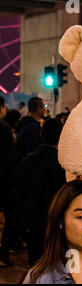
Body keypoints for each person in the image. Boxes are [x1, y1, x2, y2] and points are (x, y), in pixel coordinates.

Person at [16, 118, 66, 265]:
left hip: (32, 223)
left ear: (41, 135)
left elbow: (19, 194)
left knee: (35, 265)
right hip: (54, 224)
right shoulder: (62, 164)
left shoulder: (28, 160)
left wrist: (20, 223)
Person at [0, 97, 18, 266]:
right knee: (10, 218)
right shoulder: (4, 129)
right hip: (4, 183)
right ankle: (2, 254)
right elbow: (10, 159)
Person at [16, 97, 45, 162]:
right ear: (39, 109)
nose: (45, 109)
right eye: (44, 107)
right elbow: (33, 151)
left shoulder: (21, 123)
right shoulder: (33, 127)